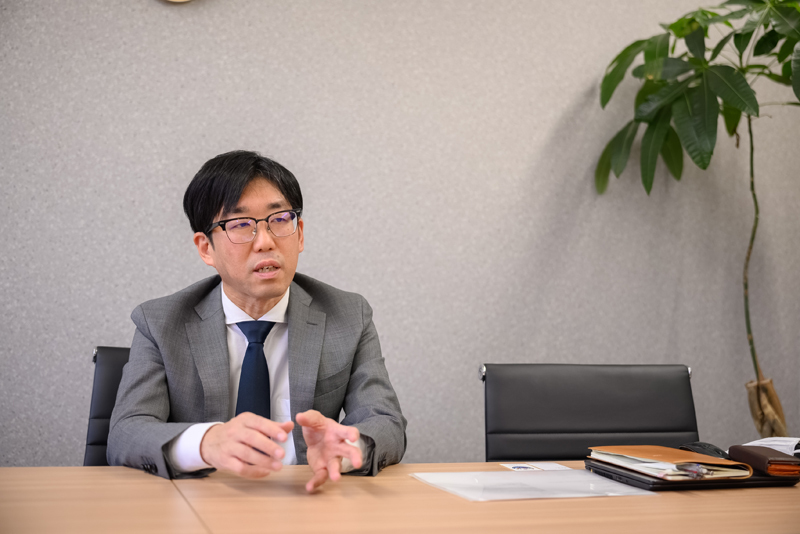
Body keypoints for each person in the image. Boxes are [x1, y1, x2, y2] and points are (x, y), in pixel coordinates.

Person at [108, 150, 407, 492]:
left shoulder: (348, 315)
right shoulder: (161, 323)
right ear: (206, 248)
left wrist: (346, 448)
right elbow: (126, 433)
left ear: (300, 234)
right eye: (240, 225)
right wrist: (207, 442)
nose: (265, 241)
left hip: (309, 499)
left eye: (279, 219)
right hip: (204, 500)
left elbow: (386, 422)